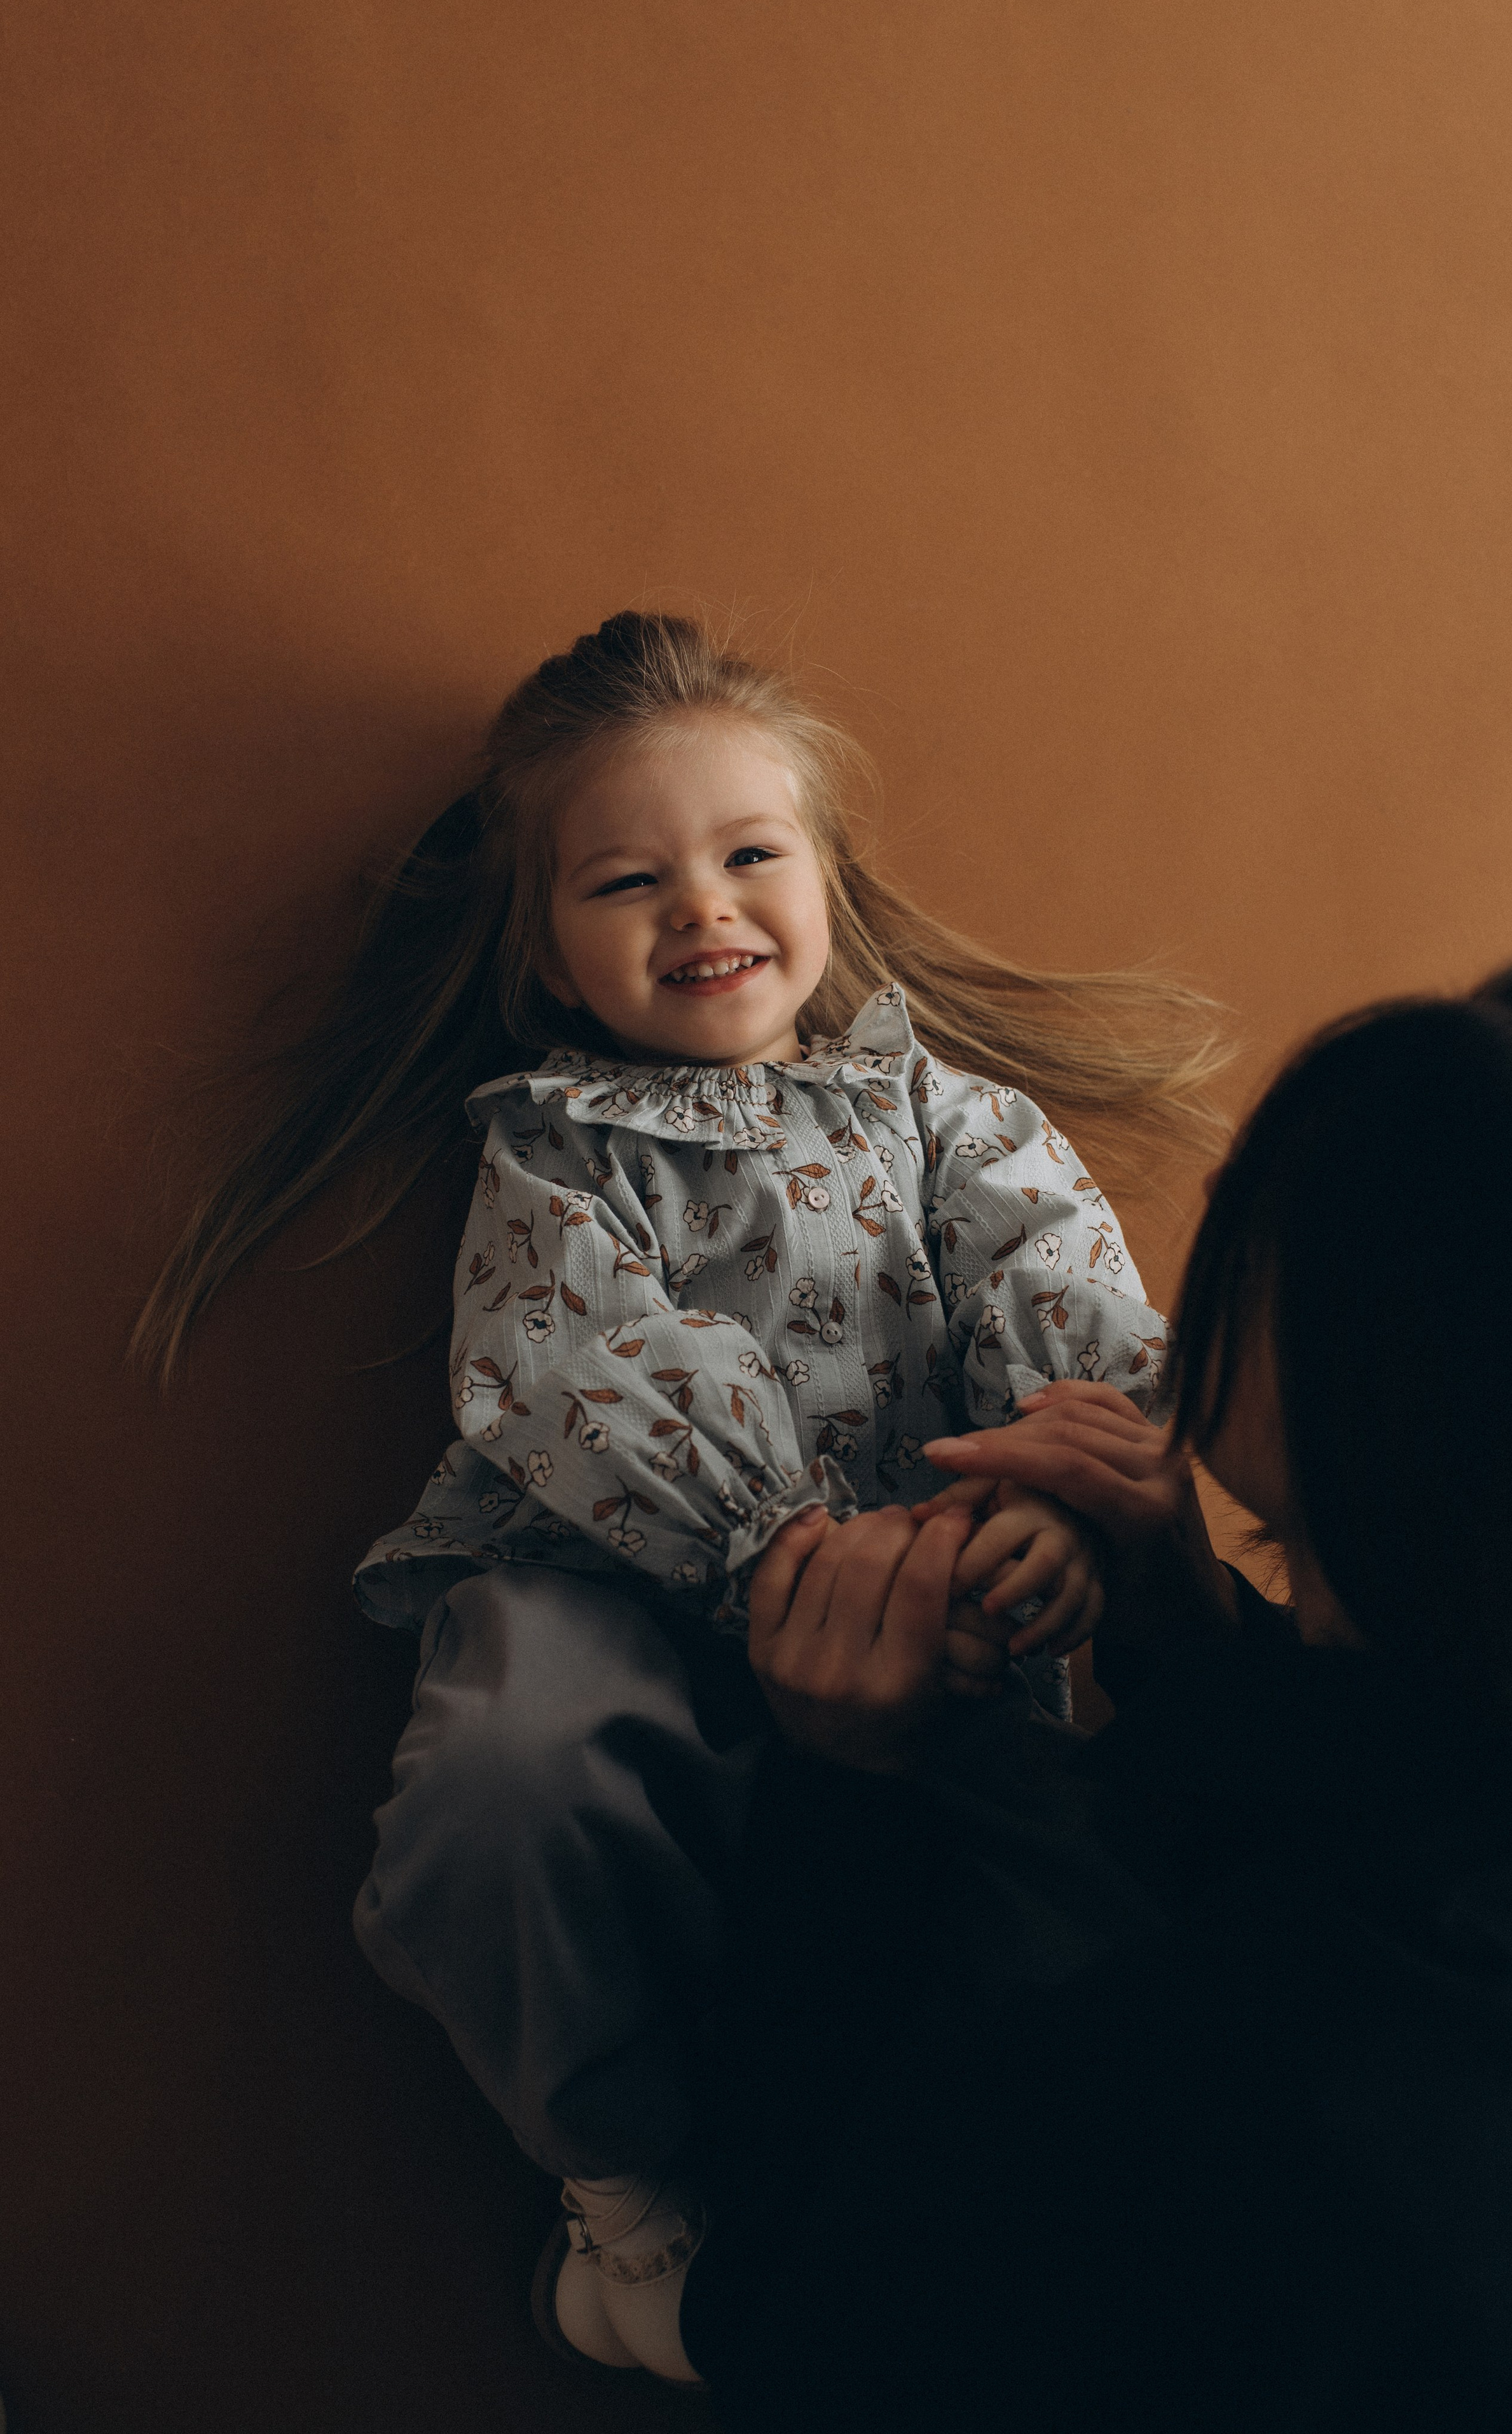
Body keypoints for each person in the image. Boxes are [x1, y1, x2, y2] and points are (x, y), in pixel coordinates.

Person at [132, 611, 1223, 2380]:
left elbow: (1068, 1301)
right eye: (631, 882)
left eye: (748, 857)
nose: (703, 910)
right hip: (616, 1575)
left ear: (825, 883)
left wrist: (1058, 1504)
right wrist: (773, 1537)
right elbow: (571, 1365)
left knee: (1005, 1937)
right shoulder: (551, 1145)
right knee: (501, 1778)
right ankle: (625, 2201)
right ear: (552, 957)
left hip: (929, 1578)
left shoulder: (946, 1116)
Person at [682, 953, 1512, 2431]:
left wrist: (836, 1800)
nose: (1196, 1235)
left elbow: (789, 2329)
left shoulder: (1231, 2087)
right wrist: (1200, 1637)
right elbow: (1437, 1789)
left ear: (1385, 1374)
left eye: (1282, 1234)